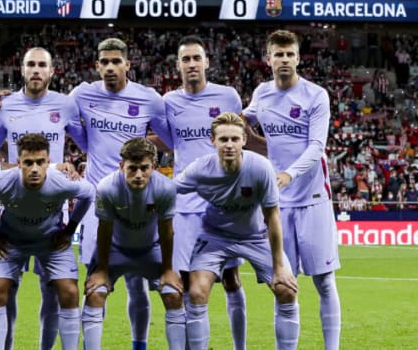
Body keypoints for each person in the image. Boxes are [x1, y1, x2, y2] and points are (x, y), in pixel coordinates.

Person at [69, 37, 172, 350]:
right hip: (97, 200)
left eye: (117, 61)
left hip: (139, 202)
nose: (110, 67)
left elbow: (170, 138)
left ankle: (138, 344)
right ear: (97, 66)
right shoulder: (82, 94)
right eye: (105, 62)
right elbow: (65, 122)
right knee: (94, 279)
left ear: (128, 64)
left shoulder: (149, 98)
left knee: (138, 286)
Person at [243, 29, 341, 350]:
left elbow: (316, 148)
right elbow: (241, 126)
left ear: (298, 58)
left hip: (314, 200)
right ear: (268, 59)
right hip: (277, 206)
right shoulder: (262, 94)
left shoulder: (316, 96)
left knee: (324, 282)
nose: (284, 60)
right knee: (283, 283)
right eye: (278, 54)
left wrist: (287, 173)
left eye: (290, 54)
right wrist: (258, 147)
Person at [0, 46, 87, 350]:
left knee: (53, 290)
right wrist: (7, 167)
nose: (36, 70)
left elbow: (85, 142)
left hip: (53, 210)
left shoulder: (65, 105)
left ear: (52, 71)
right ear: (22, 69)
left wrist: (69, 166)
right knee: (5, 290)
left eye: (43, 65)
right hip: (16, 206)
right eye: (31, 64)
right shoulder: (6, 105)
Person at [173, 112, 300, 350]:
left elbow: (273, 216)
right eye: (223, 140)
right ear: (213, 141)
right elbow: (167, 192)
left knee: (286, 290)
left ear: (244, 140)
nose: (229, 145)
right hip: (214, 236)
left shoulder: (261, 168)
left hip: (254, 237)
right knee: (197, 292)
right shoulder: (199, 169)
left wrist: (279, 266)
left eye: (234, 139)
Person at [162, 35, 248, 349]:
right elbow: (164, 138)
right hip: (184, 204)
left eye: (196, 58)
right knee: (184, 283)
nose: (192, 64)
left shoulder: (228, 97)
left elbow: (240, 140)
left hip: (222, 205)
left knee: (230, 279)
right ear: (178, 65)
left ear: (206, 62)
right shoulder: (168, 101)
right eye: (185, 59)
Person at [0, 133, 94, 350]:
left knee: (69, 291)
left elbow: (89, 194)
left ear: (49, 162)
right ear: (18, 163)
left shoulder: (61, 182)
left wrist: (69, 231)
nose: (35, 169)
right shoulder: (1, 182)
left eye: (40, 162)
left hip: (51, 241)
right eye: (28, 163)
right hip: (12, 240)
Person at [82, 137, 184, 350]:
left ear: (154, 167)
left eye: (144, 168)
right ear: (122, 166)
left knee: (173, 295)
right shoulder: (107, 187)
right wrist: (101, 270)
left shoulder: (165, 188)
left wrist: (167, 270)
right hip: (115, 250)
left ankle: (140, 346)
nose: (138, 175)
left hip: (151, 249)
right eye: (132, 168)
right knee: (95, 292)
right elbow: (104, 230)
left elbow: (167, 231)